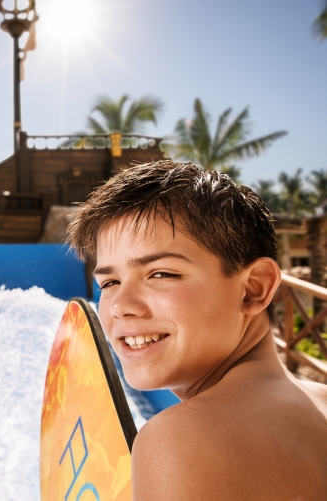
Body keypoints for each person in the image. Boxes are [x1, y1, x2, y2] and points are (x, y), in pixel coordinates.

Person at [67, 160, 327, 501]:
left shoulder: (179, 440)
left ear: (254, 288)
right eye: (110, 282)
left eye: (161, 274)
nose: (119, 305)